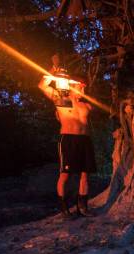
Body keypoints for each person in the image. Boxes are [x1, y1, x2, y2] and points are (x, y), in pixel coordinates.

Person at [38, 55, 95, 219]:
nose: (83, 90)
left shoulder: (87, 105)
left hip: (85, 141)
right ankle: (64, 209)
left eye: (84, 87)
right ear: (71, 86)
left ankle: (82, 208)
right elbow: (42, 85)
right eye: (80, 86)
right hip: (68, 140)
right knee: (65, 175)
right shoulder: (62, 100)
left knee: (85, 174)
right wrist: (54, 69)